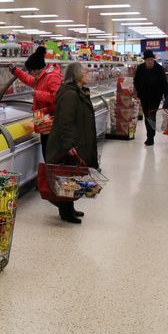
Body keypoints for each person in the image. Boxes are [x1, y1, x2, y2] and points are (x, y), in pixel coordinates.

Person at [45, 63, 98, 224]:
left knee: (71, 176)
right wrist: (69, 145)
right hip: (67, 144)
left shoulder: (77, 92)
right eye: (84, 71)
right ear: (76, 75)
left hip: (75, 141)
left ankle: (70, 207)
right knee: (66, 176)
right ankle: (65, 211)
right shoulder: (70, 94)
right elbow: (66, 122)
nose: (87, 73)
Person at [9, 45, 62, 158]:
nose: (30, 73)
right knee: (46, 149)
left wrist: (38, 94)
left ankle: (51, 173)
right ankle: (49, 172)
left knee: (50, 152)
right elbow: (29, 79)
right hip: (43, 119)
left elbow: (58, 97)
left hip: (51, 121)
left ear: (36, 69)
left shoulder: (52, 77)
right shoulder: (41, 77)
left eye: (30, 71)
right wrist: (14, 70)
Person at [133, 50, 168, 146]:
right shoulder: (140, 68)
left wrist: (166, 96)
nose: (150, 61)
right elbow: (136, 81)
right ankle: (150, 135)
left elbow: (164, 83)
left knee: (151, 116)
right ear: (145, 60)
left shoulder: (159, 69)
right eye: (148, 60)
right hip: (144, 97)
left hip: (155, 97)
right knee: (147, 116)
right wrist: (137, 91)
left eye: (152, 59)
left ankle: (150, 137)